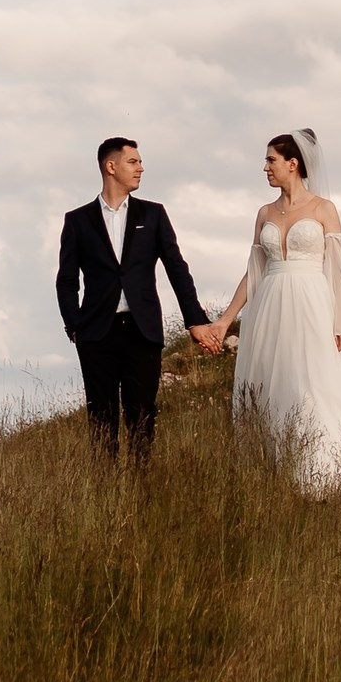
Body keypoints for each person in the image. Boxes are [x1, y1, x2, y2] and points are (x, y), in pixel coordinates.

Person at [207, 129, 341, 495]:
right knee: (274, 384)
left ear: (294, 164)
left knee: (313, 384)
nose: (265, 168)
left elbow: (338, 269)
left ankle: (323, 477)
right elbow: (254, 271)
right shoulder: (264, 213)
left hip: (311, 304)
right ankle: (274, 475)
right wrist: (226, 320)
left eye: (271, 160)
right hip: (270, 306)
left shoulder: (324, 209)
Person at [55, 137, 221, 460]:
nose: (141, 168)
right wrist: (74, 325)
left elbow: (177, 269)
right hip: (96, 334)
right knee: (101, 421)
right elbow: (66, 280)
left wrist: (196, 320)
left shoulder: (154, 214)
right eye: (134, 162)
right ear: (111, 166)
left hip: (142, 331)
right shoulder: (77, 221)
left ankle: (140, 496)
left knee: (142, 418)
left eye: (140, 162)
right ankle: (106, 500)